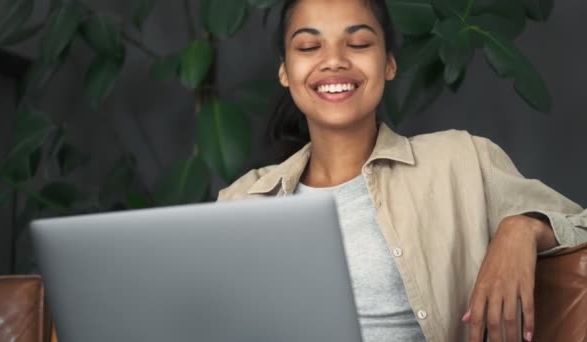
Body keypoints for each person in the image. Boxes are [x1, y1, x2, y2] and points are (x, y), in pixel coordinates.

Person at [217, 0, 587, 341]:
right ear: (284, 71)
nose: (334, 61)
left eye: (358, 43)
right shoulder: (241, 202)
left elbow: (579, 225)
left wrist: (523, 228)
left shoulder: (461, 160)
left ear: (389, 63)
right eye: (309, 47)